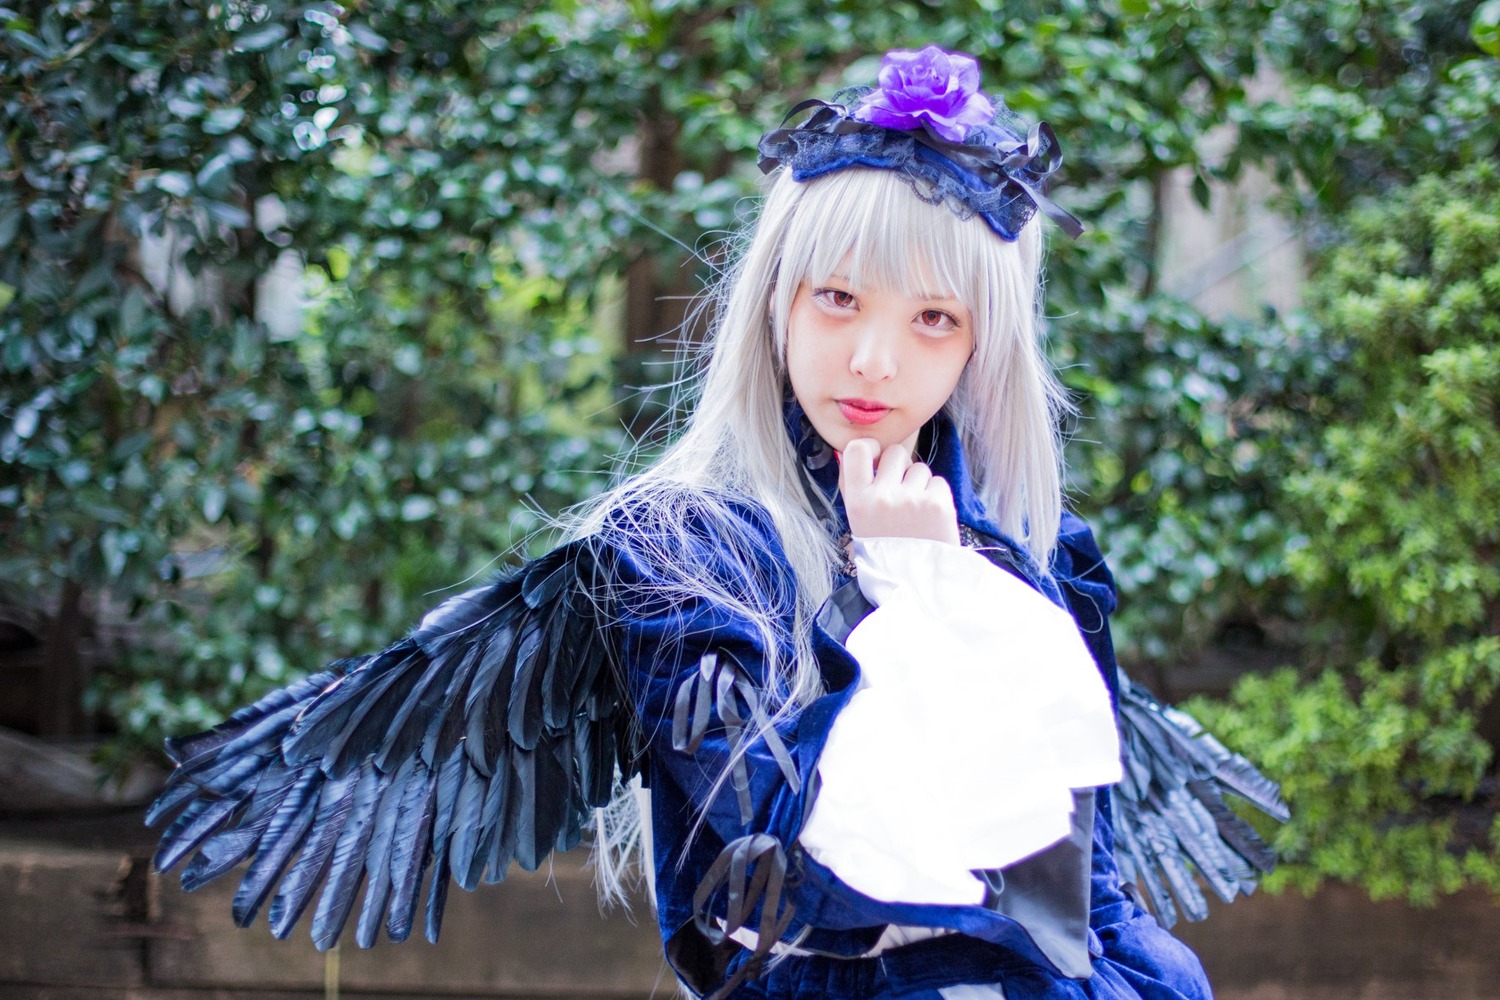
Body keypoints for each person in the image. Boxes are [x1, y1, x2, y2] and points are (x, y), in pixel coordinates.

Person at [153, 45, 1278, 1000]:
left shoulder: (1037, 565)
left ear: (983, 344)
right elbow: (783, 865)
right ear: (778, 300)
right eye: (838, 298)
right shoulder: (685, 558)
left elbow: (1085, 894)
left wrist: (960, 584)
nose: (876, 360)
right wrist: (916, 604)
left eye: (934, 318)